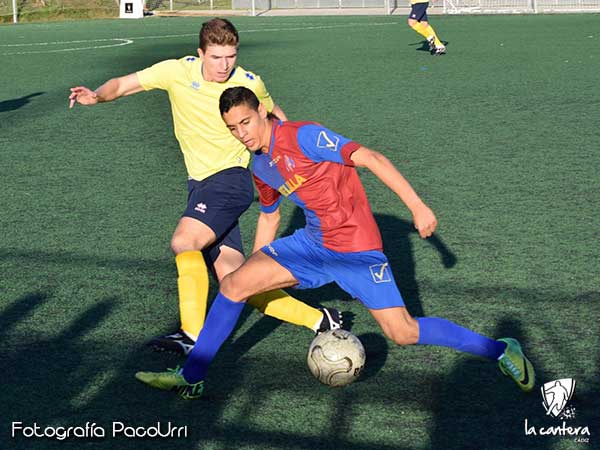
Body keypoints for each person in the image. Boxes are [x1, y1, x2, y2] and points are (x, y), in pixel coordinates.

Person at [135, 86, 535, 399]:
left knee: (404, 332)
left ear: (262, 113)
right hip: (311, 245)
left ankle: (501, 350)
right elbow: (270, 216)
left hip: (358, 252)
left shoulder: (305, 136)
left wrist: (417, 206)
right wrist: (257, 265)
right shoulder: (259, 164)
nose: (242, 134)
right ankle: (191, 377)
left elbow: (371, 157)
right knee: (235, 284)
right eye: (233, 128)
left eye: (246, 122)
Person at [68, 18, 341, 356]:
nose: (225, 65)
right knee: (236, 281)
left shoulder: (248, 83)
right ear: (200, 54)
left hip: (230, 180)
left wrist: (294, 155)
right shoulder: (176, 72)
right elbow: (124, 84)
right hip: (200, 186)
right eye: (216, 57)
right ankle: (321, 320)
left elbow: (276, 117)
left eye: (231, 56)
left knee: (185, 241)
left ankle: (191, 334)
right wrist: (97, 96)